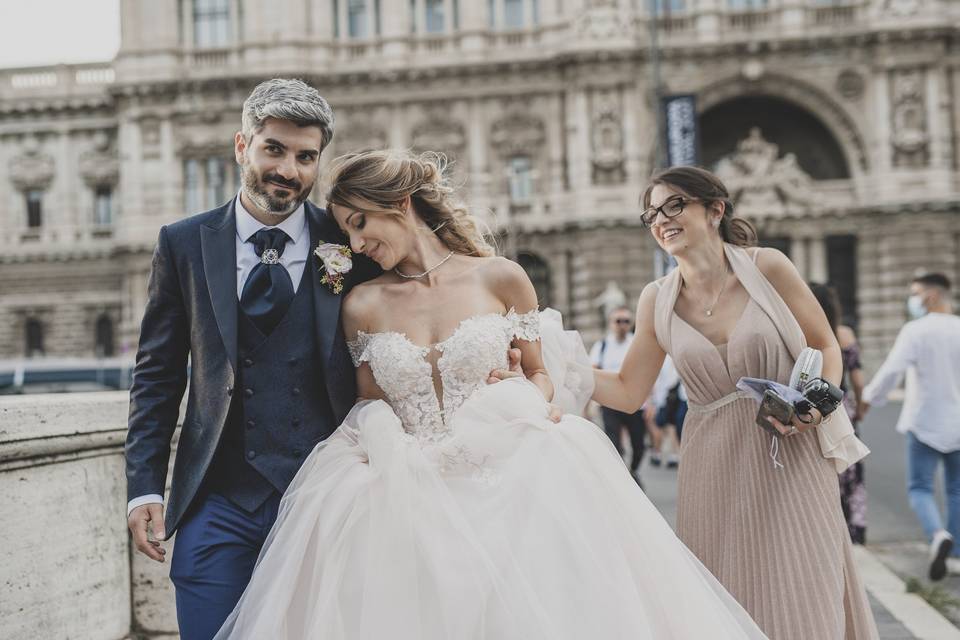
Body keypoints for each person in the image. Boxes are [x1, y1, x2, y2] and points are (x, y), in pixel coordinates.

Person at [213, 150, 768, 639]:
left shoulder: (500, 278)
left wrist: (535, 393)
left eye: (360, 224)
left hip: (509, 472)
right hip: (405, 484)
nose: (357, 244)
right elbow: (369, 400)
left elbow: (540, 373)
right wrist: (374, 443)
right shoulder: (361, 303)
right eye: (348, 234)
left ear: (401, 203)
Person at [123, 78, 382, 640]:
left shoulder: (351, 244)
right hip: (217, 503)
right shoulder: (183, 243)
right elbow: (158, 376)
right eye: (274, 149)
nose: (289, 170)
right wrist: (144, 485)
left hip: (326, 500)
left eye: (306, 156)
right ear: (242, 146)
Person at [591, 166, 878, 639]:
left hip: (791, 451)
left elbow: (825, 345)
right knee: (724, 597)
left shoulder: (768, 267)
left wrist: (815, 402)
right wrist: (556, 366)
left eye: (674, 206)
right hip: (711, 464)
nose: (661, 220)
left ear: (715, 210)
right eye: (652, 214)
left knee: (804, 585)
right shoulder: (654, 299)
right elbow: (627, 389)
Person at [862, 272, 960, 581]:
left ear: (931, 296)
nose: (913, 300)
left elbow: (892, 370)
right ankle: (955, 553)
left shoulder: (915, 331)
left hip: (924, 420)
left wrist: (868, 398)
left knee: (920, 487)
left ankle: (936, 535)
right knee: (957, 489)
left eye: (915, 293)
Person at [810, 282, 868, 544]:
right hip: (842, 405)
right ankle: (854, 529)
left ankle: (825, 529)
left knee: (821, 469)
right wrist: (861, 407)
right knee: (850, 470)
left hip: (814, 406)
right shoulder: (845, 334)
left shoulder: (804, 332)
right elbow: (857, 378)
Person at [589, 305, 647, 483]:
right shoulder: (602, 346)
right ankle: (622, 479)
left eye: (626, 321)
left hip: (635, 401)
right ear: (611, 323)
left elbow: (647, 372)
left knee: (639, 444)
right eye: (618, 321)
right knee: (614, 442)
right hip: (610, 402)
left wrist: (651, 400)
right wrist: (588, 403)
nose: (622, 325)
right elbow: (592, 372)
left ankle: (634, 469)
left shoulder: (637, 344)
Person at [649, 354, 686, 469]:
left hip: (675, 398)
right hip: (669, 398)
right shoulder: (668, 358)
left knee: (672, 425)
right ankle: (671, 453)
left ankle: (670, 453)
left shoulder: (672, 358)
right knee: (669, 425)